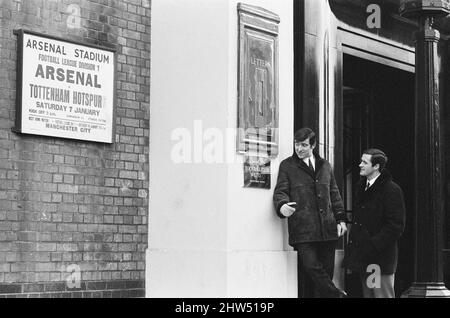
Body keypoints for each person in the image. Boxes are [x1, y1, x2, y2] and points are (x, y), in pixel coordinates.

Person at [273, 127, 348, 298]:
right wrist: (282, 206)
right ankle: (338, 295)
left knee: (325, 275)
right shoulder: (287, 165)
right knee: (312, 268)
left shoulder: (325, 165)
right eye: (296, 144)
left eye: (304, 145)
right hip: (303, 230)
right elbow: (280, 191)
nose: (299, 149)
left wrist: (341, 219)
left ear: (312, 145)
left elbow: (334, 194)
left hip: (328, 229)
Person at [343, 149, 405, 298]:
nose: (360, 165)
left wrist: (372, 245)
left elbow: (396, 226)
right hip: (366, 258)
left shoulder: (391, 190)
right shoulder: (363, 187)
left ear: (376, 166)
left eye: (364, 162)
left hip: (378, 260)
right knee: (370, 295)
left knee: (380, 295)